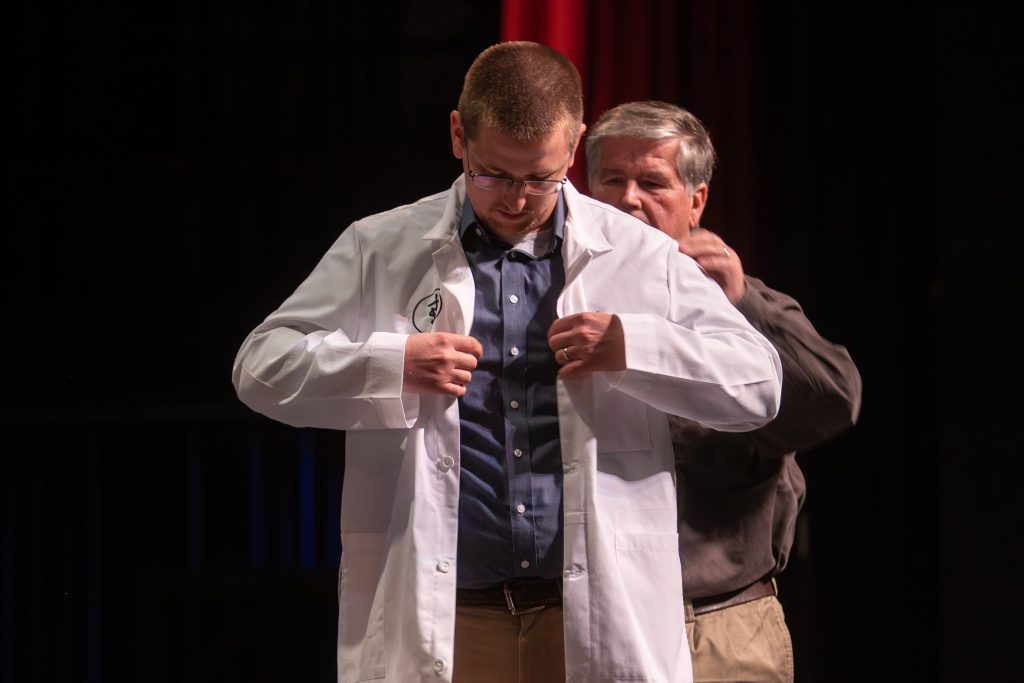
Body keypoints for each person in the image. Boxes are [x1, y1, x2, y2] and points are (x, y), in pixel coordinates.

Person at [233, 44, 784, 683]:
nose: (517, 200)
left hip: (591, 613)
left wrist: (634, 346)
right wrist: (391, 364)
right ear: (458, 135)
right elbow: (259, 367)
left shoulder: (639, 253)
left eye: (541, 179)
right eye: (494, 175)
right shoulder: (379, 246)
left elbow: (759, 384)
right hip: (452, 617)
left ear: (574, 147)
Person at [586, 100, 863, 683]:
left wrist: (744, 303)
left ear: (697, 202)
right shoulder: (557, 304)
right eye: (611, 180)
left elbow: (835, 399)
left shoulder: (736, 305)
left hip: (719, 628)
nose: (629, 199)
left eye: (652, 183)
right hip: (597, 625)